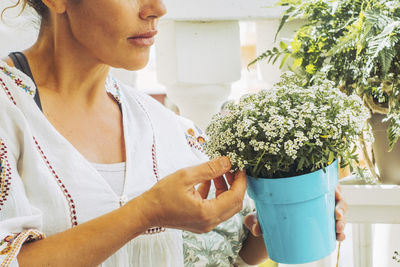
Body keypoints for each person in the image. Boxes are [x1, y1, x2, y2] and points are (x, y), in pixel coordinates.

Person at [0, 0, 348, 266]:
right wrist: (144, 214)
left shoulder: (165, 127)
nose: (157, 9)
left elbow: (225, 254)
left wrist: (276, 223)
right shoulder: (10, 109)